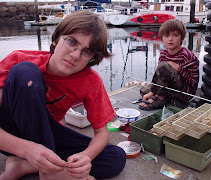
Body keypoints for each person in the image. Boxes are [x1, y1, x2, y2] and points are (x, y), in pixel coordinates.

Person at [0, 10, 126, 180]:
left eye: (86, 52)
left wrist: (86, 157)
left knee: (116, 157)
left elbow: (102, 134)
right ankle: (51, 171)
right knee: (24, 72)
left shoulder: (90, 81)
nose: (75, 55)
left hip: (47, 134)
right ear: (56, 39)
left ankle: (25, 165)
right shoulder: (19, 59)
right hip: (10, 134)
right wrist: (27, 150)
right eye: (71, 41)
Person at [139, 19, 199, 110]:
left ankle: (160, 98)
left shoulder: (187, 56)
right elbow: (160, 77)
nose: (170, 39)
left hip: (183, 93)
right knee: (144, 89)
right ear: (162, 38)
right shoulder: (163, 54)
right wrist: (152, 92)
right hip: (168, 88)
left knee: (163, 66)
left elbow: (194, 84)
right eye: (166, 35)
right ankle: (168, 98)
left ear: (182, 38)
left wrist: (179, 69)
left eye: (175, 35)